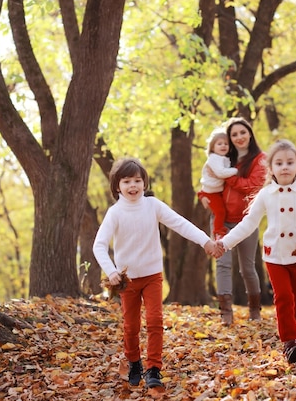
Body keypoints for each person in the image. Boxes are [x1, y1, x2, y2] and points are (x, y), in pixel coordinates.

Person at [93, 158, 222, 389]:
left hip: (152, 275)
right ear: (117, 186)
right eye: (127, 181)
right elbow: (99, 245)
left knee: (154, 320)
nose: (133, 186)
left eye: (137, 180)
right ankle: (134, 362)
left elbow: (180, 224)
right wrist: (111, 271)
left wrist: (205, 241)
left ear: (144, 183)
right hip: (127, 280)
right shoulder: (115, 213)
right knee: (131, 326)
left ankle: (154, 368)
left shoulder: (153, 206)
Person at [217, 139, 296, 363]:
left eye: (289, 162)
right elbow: (248, 224)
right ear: (271, 168)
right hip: (275, 255)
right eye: (279, 163)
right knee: (284, 297)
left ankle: (295, 336)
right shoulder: (266, 194)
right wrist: (226, 243)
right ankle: (289, 342)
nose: (284, 167)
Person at [200, 117, 266, 325]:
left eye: (242, 133)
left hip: (246, 220)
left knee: (247, 267)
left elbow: (252, 186)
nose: (239, 137)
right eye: (234, 134)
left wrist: (227, 176)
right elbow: (209, 178)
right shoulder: (223, 156)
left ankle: (255, 309)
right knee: (222, 264)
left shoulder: (259, 159)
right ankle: (225, 312)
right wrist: (201, 194)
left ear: (250, 134)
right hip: (222, 219)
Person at [197, 129, 238, 239]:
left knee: (221, 211)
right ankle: (217, 231)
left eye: (226, 144)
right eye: (219, 144)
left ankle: (219, 228)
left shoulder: (223, 158)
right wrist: (235, 171)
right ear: (212, 147)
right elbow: (221, 173)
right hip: (211, 192)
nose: (223, 146)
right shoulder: (214, 159)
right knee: (220, 212)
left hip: (216, 190)